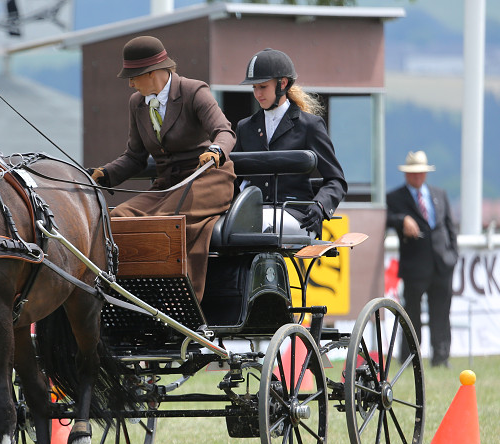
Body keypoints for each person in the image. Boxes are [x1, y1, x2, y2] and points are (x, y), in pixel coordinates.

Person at [89, 36, 236, 301]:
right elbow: (134, 157)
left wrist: (215, 151)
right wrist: (104, 174)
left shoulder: (194, 91)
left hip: (207, 180)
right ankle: (131, 296)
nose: (131, 83)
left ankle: (180, 300)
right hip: (167, 185)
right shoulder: (137, 103)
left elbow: (224, 131)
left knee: (164, 223)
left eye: (134, 77)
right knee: (118, 218)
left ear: (154, 72)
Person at [232, 48, 347, 237]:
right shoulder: (245, 128)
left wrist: (320, 206)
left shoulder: (310, 125)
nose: (257, 93)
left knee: (255, 224)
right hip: (255, 212)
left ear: (282, 84)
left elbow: (336, 180)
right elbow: (234, 178)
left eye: (262, 87)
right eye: (254, 88)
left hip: (298, 215)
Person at [386, 150, 459, 367]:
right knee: (411, 315)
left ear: (426, 174)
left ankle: (441, 357)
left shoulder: (439, 194)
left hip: (442, 264)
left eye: (420, 172)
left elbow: (449, 226)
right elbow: (386, 218)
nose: (417, 176)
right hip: (414, 266)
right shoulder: (395, 197)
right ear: (407, 174)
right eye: (413, 172)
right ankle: (410, 358)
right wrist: (403, 220)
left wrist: (452, 255)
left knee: (441, 313)